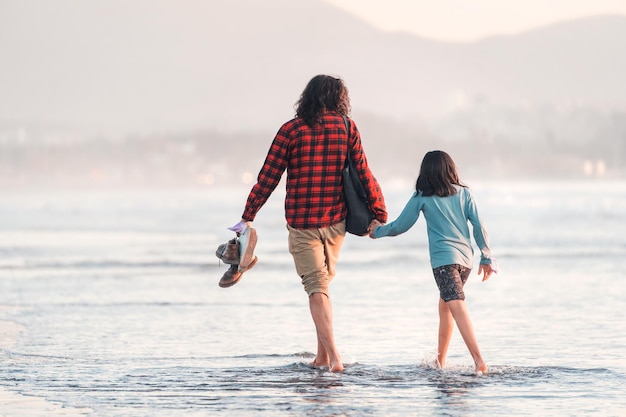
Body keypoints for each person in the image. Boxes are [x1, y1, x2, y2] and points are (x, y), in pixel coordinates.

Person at [232, 74, 387, 372]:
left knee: (317, 287)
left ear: (308, 96)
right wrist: (379, 212)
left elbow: (269, 177)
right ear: (339, 98)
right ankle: (322, 357)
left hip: (303, 222)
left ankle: (335, 359)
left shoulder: (291, 130)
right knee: (322, 286)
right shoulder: (347, 127)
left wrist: (248, 214)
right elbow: (364, 172)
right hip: (336, 222)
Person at [368, 150, 496, 375]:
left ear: (425, 172)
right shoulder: (464, 193)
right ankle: (440, 361)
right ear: (451, 170)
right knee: (445, 307)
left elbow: (400, 226)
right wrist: (486, 256)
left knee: (455, 304)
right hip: (465, 261)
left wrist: (377, 231)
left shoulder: (422, 196)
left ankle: (479, 361)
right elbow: (479, 225)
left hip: (444, 261)